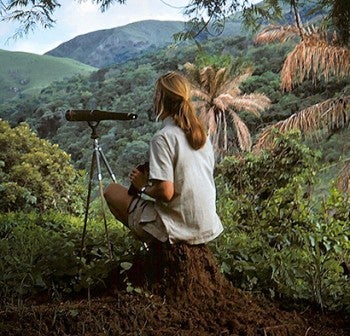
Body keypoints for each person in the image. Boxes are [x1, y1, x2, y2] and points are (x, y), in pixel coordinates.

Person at [104, 71, 223, 245]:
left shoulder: (163, 137)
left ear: (160, 99)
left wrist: (143, 187)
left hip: (179, 227)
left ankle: (156, 244)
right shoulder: (201, 136)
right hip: (206, 225)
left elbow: (166, 193)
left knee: (111, 191)